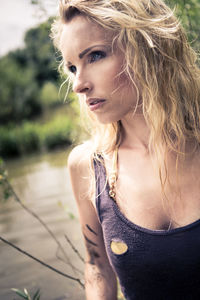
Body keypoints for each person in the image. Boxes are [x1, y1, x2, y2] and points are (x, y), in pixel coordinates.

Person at [51, 0, 200, 299]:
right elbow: (96, 267)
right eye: (71, 67)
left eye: (95, 55)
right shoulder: (87, 165)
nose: (78, 84)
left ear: (147, 48)